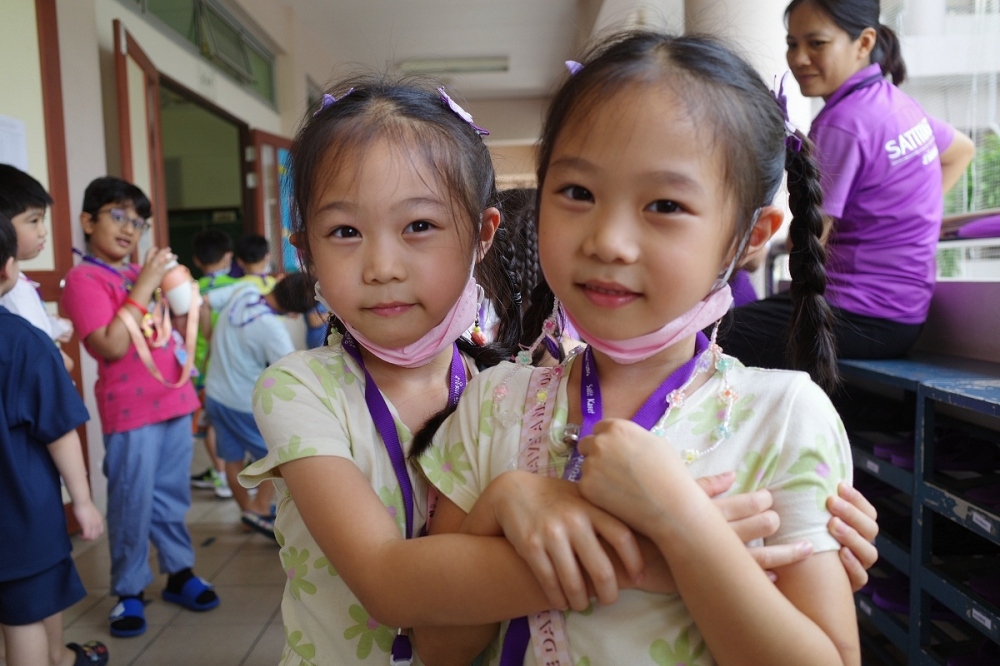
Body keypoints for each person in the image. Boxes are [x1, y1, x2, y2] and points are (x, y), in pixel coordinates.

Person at [239, 75, 876, 665]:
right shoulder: (314, 390)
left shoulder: (497, 389)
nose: (382, 267)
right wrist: (659, 550)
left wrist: (800, 533)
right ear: (305, 249)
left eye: (420, 225)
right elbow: (394, 590)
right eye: (345, 231)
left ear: (483, 235)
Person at [414, 31, 862, 665]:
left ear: (749, 235)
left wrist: (681, 522)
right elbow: (438, 646)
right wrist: (503, 501)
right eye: (578, 192)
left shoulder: (784, 418)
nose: (609, 240)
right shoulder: (493, 402)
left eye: (665, 204)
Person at [718, 0, 977, 369]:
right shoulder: (896, 103)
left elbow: (807, 242)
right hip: (903, 318)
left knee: (707, 335)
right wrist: (905, 216)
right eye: (792, 44)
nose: (800, 58)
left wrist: (750, 251)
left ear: (864, 42)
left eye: (817, 43)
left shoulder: (843, 123)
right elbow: (961, 151)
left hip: (855, 316)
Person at [60, 177, 219, 639]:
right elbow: (109, 344)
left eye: (138, 222)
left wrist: (189, 301)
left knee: (171, 495)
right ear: (88, 221)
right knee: (132, 498)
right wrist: (147, 281)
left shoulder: (137, 274)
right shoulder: (85, 280)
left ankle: (179, 571)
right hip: (129, 410)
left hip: (175, 399)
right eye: (118, 216)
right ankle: (128, 589)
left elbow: (187, 331)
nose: (130, 229)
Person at [0, 212, 108, 666]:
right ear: (7, 268)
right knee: (23, 617)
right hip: (19, 519)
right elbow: (60, 431)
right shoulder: (24, 341)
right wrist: (82, 500)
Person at [202, 272, 317, 538]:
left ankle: (248, 513)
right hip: (242, 402)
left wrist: (210, 339)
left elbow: (205, 301)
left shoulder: (245, 290)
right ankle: (259, 507)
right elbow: (289, 372)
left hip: (215, 393)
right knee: (279, 456)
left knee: (231, 457)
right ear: (294, 313)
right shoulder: (272, 329)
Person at [0, 164, 75, 371]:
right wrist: (64, 363)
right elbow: (39, 352)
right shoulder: (12, 286)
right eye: (33, 221)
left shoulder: (16, 280)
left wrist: (54, 325)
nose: (43, 231)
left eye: (43, 219)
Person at [189, 229, 238, 499]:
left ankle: (221, 476)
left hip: (202, 369)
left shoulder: (191, 290)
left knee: (209, 423)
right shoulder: (238, 288)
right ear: (228, 256)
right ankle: (238, 474)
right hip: (235, 367)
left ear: (197, 260)